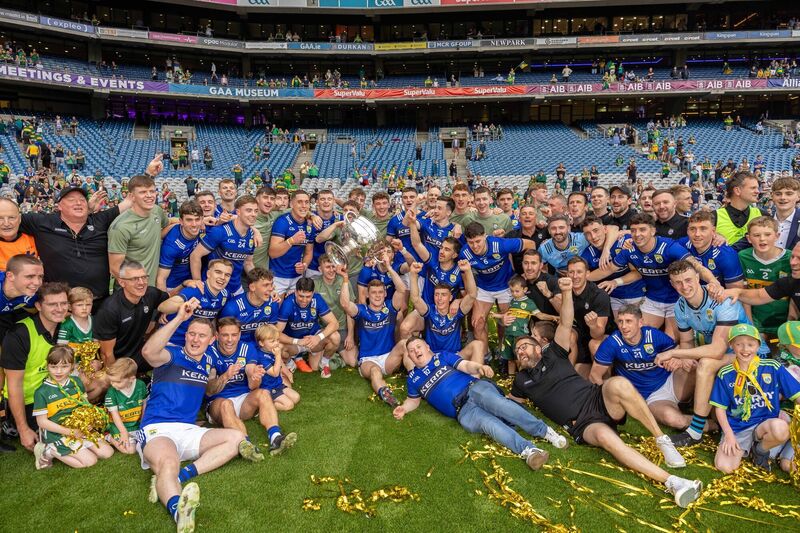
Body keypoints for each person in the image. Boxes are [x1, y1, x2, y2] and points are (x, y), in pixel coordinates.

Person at [510, 277, 704, 508]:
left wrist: (566, 291)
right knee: (606, 440)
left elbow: (565, 322)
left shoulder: (554, 353)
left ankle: (662, 440)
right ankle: (674, 482)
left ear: (537, 347)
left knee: (618, 383)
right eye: (517, 350)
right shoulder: (521, 380)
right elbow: (511, 403)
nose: (520, 351)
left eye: (524, 345)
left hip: (597, 399)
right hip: (581, 424)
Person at [137, 300, 261, 532]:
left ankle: (182, 476)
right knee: (168, 462)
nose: (195, 339)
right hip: (159, 427)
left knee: (236, 438)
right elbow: (148, 352)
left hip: (188, 429)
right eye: (191, 334)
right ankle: (178, 510)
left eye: (201, 336)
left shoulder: (208, 362)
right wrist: (179, 319)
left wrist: (224, 377)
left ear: (211, 340)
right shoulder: (170, 355)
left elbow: (210, 389)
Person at [395, 336, 567, 470]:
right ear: (409, 356)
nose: (415, 351)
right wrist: (403, 408)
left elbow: (465, 365)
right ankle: (529, 452)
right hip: (462, 412)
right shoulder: (413, 379)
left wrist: (479, 368)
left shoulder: (442, 356)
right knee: (490, 425)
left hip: (473, 389)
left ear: (427, 347)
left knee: (500, 405)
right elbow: (413, 400)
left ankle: (544, 431)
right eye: (411, 350)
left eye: (418, 346)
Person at [658, 260, 769, 446]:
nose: (684, 286)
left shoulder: (720, 300)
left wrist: (675, 354)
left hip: (752, 355)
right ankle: (695, 410)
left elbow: (717, 350)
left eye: (688, 280)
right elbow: (686, 341)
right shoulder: (680, 307)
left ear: (697, 277)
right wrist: (685, 355)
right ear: (672, 284)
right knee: (693, 363)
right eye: (678, 282)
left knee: (706, 363)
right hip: (724, 356)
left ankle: (695, 431)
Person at [710, 324, 799, 473]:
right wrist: (729, 435)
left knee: (781, 428)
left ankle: (760, 450)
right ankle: (747, 447)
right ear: (732, 345)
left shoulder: (773, 367)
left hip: (766, 425)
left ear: (758, 345)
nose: (745, 350)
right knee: (724, 467)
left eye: (750, 344)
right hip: (739, 428)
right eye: (739, 344)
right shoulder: (725, 373)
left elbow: (797, 395)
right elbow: (719, 409)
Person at [206, 317, 295, 456]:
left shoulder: (246, 348)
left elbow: (252, 380)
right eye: (225, 335)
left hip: (243, 400)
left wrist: (255, 377)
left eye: (234, 335)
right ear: (217, 335)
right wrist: (225, 376)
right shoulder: (209, 352)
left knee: (263, 393)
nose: (230, 340)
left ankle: (276, 437)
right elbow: (209, 390)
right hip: (219, 402)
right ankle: (246, 446)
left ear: (240, 335)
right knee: (226, 404)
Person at [1, 282, 69, 451]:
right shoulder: (19, 334)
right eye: (52, 304)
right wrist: (24, 429)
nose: (60, 309)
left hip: (54, 392)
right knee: (51, 441)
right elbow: (14, 385)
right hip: (29, 401)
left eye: (63, 303)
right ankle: (14, 425)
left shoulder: (66, 325)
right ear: (38, 306)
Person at [32, 345, 115, 469]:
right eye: (54, 367)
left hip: (79, 429)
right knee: (90, 461)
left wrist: (89, 422)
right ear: (47, 366)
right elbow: (42, 422)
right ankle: (48, 451)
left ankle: (79, 448)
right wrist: (69, 432)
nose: (58, 371)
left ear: (72, 366)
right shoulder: (42, 392)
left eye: (64, 366)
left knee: (107, 453)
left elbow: (85, 406)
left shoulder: (76, 382)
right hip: (58, 433)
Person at [338, 260, 407, 407]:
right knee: (375, 371)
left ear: (385, 293)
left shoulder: (390, 307)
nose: (377, 295)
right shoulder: (362, 310)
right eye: (374, 292)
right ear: (367, 295)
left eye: (380, 292)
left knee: (404, 344)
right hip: (369, 360)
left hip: (389, 358)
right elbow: (345, 304)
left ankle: (419, 377)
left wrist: (388, 267)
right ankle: (385, 393)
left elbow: (401, 289)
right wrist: (345, 279)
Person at [460, 221, 534, 349]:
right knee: (477, 323)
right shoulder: (465, 253)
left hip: (506, 285)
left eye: (478, 241)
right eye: (471, 242)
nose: (475, 246)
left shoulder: (499, 244)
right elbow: (465, 278)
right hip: (484, 287)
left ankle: (502, 350)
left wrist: (527, 270)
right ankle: (484, 355)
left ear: (485, 236)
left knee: (507, 321)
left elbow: (530, 244)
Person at [94, 259, 169, 370]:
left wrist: (184, 284)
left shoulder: (150, 293)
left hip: (138, 354)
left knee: (171, 360)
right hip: (118, 360)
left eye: (144, 277)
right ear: (121, 282)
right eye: (134, 279)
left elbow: (170, 297)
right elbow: (107, 354)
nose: (141, 282)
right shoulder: (109, 310)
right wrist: (118, 378)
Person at [407, 259, 484, 364]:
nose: (439, 298)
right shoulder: (430, 311)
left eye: (443, 295)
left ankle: (475, 380)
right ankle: (416, 376)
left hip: (454, 356)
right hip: (433, 357)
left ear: (450, 297)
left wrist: (468, 271)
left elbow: (472, 295)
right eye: (436, 294)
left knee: (478, 344)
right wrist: (413, 274)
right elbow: (415, 298)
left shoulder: (456, 311)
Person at [108, 174, 170, 285]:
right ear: (132, 196)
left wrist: (200, 221)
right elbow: (115, 268)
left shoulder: (156, 211)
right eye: (143, 192)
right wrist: (137, 288)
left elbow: (170, 223)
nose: (149, 195)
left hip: (153, 288)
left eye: (152, 191)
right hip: (132, 291)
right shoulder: (121, 226)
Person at [191, 195, 258, 295]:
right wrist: (197, 282)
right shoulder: (220, 231)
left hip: (236, 288)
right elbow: (195, 255)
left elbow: (248, 263)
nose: (253, 214)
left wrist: (259, 282)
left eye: (256, 211)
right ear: (238, 212)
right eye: (249, 210)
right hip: (213, 288)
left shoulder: (253, 235)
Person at [158, 259, 232, 346]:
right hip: (173, 341)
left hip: (197, 343)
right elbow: (162, 307)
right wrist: (184, 306)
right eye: (218, 272)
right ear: (208, 274)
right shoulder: (195, 290)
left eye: (227, 275)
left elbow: (211, 316)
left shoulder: (225, 295)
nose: (222, 277)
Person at [738, 217, 790, 336]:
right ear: (748, 238)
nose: (762, 239)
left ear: (777, 236)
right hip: (756, 322)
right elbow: (743, 293)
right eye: (756, 235)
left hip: (784, 323)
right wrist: (750, 325)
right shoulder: (743, 257)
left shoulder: (791, 258)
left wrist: (789, 325)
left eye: (767, 234)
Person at [276, 277, 340, 376]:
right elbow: (277, 333)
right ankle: (290, 363)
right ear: (296, 292)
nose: (304, 300)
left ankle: (324, 364)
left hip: (314, 340)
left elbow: (335, 323)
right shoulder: (288, 303)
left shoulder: (317, 299)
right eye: (301, 296)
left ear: (313, 293)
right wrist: (297, 341)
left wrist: (318, 337)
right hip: (296, 343)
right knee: (278, 347)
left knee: (335, 337)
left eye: (308, 296)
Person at [313, 254, 358, 366]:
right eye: (328, 267)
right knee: (314, 366)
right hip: (324, 329)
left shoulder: (343, 281)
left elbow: (349, 311)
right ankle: (330, 352)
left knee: (353, 362)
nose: (331, 270)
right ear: (320, 269)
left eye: (333, 266)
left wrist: (350, 336)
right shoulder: (315, 284)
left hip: (342, 328)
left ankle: (334, 353)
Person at [682, 210, 744, 288]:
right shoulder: (682, 245)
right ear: (687, 231)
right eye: (692, 229)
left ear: (713, 231)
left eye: (703, 229)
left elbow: (735, 292)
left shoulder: (726, 255)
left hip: (719, 297)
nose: (697, 234)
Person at [269, 190, 313, 295]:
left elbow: (308, 252)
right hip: (277, 276)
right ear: (292, 204)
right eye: (300, 202)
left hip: (296, 277)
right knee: (275, 308)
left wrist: (304, 265)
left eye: (306, 202)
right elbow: (272, 253)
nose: (304, 205)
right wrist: (291, 241)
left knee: (292, 309)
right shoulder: (282, 221)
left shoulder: (309, 225)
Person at [219, 268, 278, 344]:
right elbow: (224, 337)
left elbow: (272, 333)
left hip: (261, 346)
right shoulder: (232, 307)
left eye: (271, 284)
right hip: (237, 346)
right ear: (252, 287)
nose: (271, 289)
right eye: (266, 285)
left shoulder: (273, 302)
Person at [156, 201, 204, 292]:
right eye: (189, 220)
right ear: (181, 221)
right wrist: (163, 301)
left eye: (197, 219)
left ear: (202, 219)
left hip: (193, 281)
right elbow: (161, 279)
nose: (194, 224)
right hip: (173, 287)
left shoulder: (204, 229)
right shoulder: (172, 245)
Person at [104, 357, 147, 454]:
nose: (113, 384)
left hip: (136, 424)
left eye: (117, 381)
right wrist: (123, 432)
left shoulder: (141, 385)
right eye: (111, 381)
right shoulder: (111, 392)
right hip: (120, 426)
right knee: (130, 450)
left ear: (132, 379)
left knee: (148, 444)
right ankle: (108, 436)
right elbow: (114, 415)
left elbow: (145, 404)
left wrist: (143, 424)